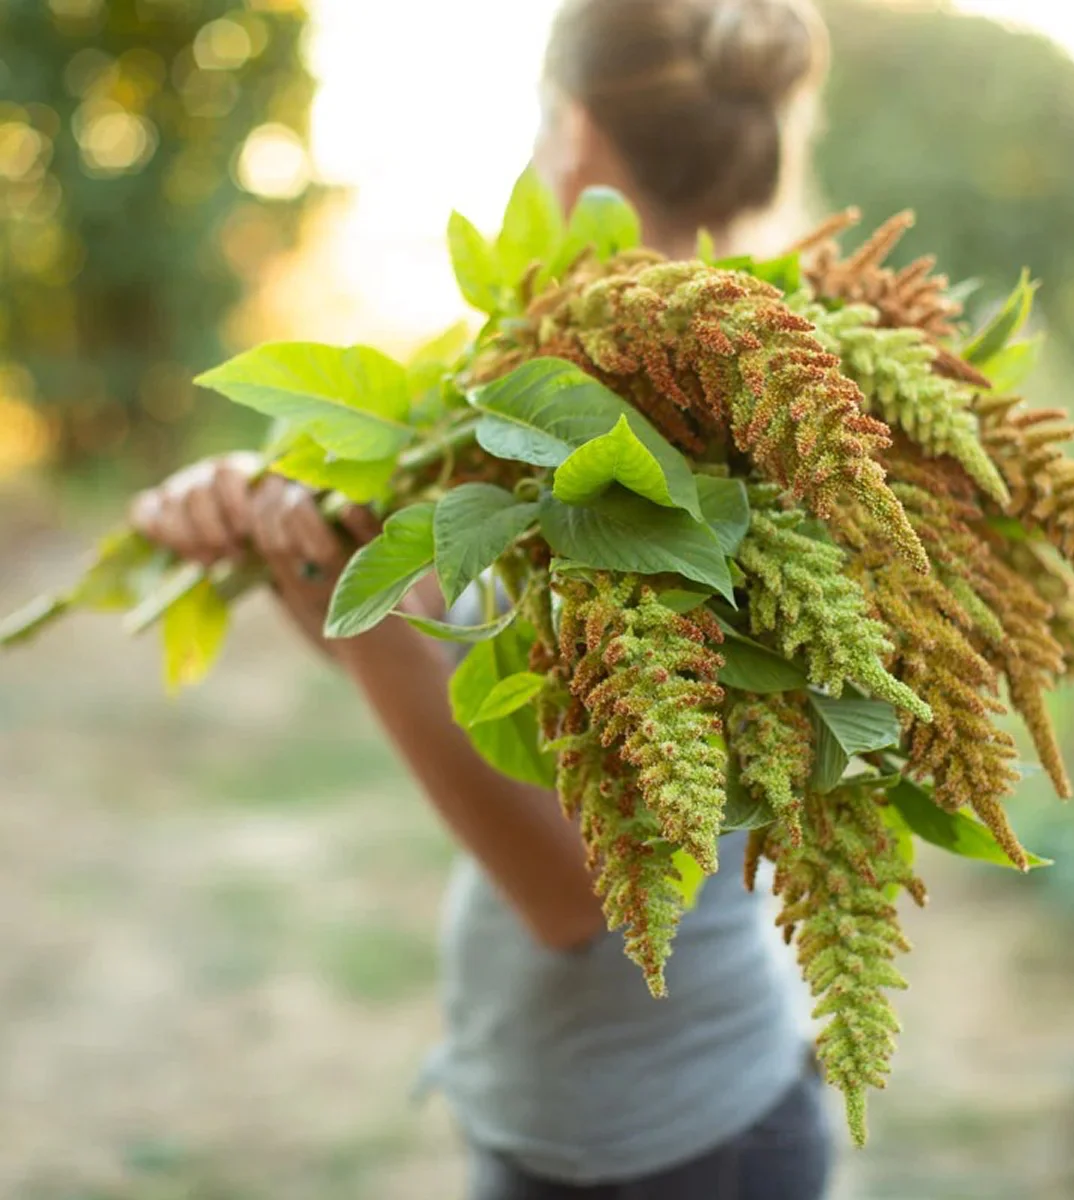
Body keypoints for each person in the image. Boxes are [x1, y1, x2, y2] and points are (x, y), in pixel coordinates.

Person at [130, 1, 835, 1196]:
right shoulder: (561, 392)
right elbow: (440, 660)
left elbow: (578, 894)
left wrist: (362, 629)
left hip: (672, 1145)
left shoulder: (734, 442)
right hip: (566, 1112)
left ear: (567, 135)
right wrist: (296, 541)